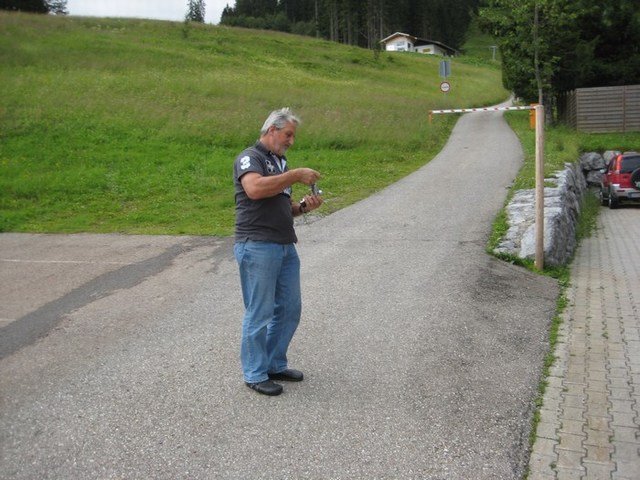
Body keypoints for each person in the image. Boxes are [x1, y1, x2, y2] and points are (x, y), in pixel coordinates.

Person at [233, 107, 323, 396]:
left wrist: (304, 207)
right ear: (272, 130)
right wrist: (295, 175)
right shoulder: (251, 157)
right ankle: (254, 373)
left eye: (293, 136)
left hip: (284, 245)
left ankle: (273, 363)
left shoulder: (279, 163)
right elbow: (255, 189)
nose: (291, 141)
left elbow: (284, 207)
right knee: (260, 312)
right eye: (288, 135)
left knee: (289, 309)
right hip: (257, 245)